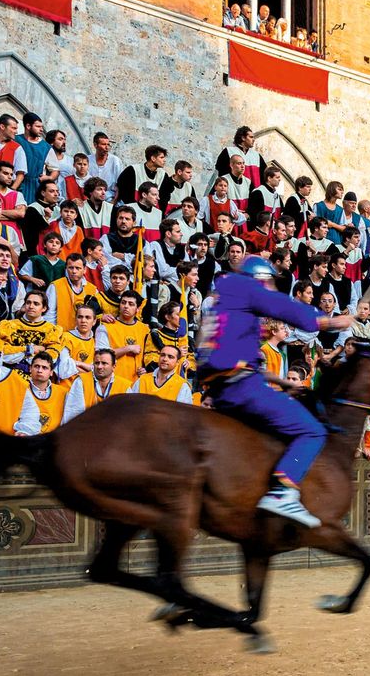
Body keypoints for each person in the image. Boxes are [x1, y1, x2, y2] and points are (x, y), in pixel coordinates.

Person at [197, 256, 352, 527]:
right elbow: (286, 308)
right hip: (243, 388)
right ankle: (282, 491)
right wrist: (331, 322)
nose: (270, 288)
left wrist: (281, 383)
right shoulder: (247, 290)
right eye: (268, 282)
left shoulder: (224, 302)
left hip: (219, 389)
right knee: (312, 430)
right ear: (259, 280)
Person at [0, 290, 64, 370]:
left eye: (36, 304)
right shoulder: (8, 326)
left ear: (44, 308)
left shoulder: (52, 330)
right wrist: (29, 349)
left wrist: (20, 353)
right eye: (28, 303)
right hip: (10, 374)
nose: (31, 306)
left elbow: (51, 358)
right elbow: (2, 353)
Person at [63, 348, 130, 421]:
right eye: (97, 363)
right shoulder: (81, 381)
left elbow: (129, 417)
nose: (99, 367)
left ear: (114, 366)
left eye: (104, 363)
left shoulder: (124, 386)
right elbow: (73, 415)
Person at [102, 290, 150, 384]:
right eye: (123, 303)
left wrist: (146, 369)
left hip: (137, 383)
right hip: (113, 382)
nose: (126, 306)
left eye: (131, 304)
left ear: (137, 309)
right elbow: (102, 356)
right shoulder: (106, 327)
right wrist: (128, 348)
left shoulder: (145, 329)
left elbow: (149, 355)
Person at [45, 254, 105, 329]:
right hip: (61, 336)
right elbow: (49, 315)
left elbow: (96, 316)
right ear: (66, 268)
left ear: (84, 269)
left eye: (78, 268)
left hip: (85, 337)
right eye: (71, 268)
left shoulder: (93, 289)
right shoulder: (55, 286)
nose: (74, 271)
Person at [115, 144, 174, 209]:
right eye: (161, 157)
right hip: (130, 210)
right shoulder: (132, 170)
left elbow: (164, 198)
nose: (164, 160)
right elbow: (122, 190)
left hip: (151, 212)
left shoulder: (163, 175)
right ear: (153, 158)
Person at [15, 112, 54, 204]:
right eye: (38, 126)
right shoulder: (15, 140)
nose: (41, 129)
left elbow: (55, 169)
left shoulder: (46, 147)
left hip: (36, 186)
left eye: (41, 126)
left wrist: (49, 177)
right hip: (17, 183)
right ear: (28, 126)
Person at [25, 352, 68, 433]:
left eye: (44, 368)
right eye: (36, 366)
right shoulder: (21, 390)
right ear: (30, 368)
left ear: (51, 372)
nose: (40, 370)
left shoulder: (63, 393)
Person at [215, 126, 266, 190]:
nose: (253, 140)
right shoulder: (229, 152)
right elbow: (222, 173)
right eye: (251, 137)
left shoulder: (257, 156)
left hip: (253, 195)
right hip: (234, 193)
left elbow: (265, 176)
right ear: (243, 138)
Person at [0, 113, 27, 186]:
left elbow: (20, 174)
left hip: (4, 188)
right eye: (13, 128)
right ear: (2, 126)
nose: (16, 132)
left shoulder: (17, 148)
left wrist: (11, 190)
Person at [88, 132, 123, 201]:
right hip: (90, 198)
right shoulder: (87, 160)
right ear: (95, 145)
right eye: (103, 144)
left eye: (108, 144)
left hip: (109, 198)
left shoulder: (115, 161)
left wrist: (113, 202)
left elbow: (120, 185)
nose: (107, 147)